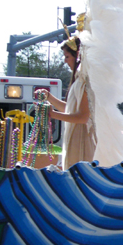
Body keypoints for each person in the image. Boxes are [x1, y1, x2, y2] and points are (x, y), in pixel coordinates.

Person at [35, 36, 96, 169]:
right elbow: (69, 109)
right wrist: (49, 97)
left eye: (67, 56)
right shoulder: (78, 81)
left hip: (82, 139)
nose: (65, 60)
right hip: (74, 137)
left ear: (77, 56)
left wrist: (52, 114)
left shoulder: (85, 82)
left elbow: (82, 117)